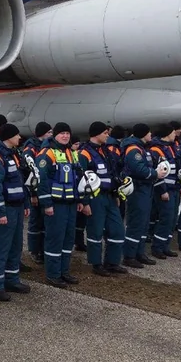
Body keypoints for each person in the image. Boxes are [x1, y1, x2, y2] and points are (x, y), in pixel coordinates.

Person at [0, 123, 31, 300]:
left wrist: (25, 205)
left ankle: (11, 279)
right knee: (0, 248)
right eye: (17, 135)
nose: (20, 137)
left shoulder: (14, 155)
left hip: (17, 208)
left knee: (15, 246)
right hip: (6, 209)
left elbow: (20, 183)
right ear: (8, 137)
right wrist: (0, 213)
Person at [78, 122, 127, 276]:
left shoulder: (106, 151)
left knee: (118, 230)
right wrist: (85, 202)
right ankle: (96, 264)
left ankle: (112, 262)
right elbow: (81, 179)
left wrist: (116, 194)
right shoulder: (84, 153)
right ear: (96, 134)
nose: (107, 135)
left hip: (110, 197)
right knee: (96, 231)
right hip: (95, 198)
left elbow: (113, 174)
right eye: (105, 133)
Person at [36, 122, 80, 287]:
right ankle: (53, 274)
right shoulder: (46, 154)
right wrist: (47, 204)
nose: (65, 136)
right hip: (55, 205)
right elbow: (42, 181)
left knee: (68, 240)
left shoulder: (70, 152)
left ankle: (64, 272)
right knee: (55, 239)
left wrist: (80, 200)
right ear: (55, 135)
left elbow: (77, 177)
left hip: (70, 204)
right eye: (62, 133)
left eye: (67, 133)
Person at [121, 123, 166, 267]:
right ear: (143, 134)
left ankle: (139, 253)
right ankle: (129, 256)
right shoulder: (133, 149)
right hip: (138, 190)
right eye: (148, 133)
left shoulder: (142, 148)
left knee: (144, 223)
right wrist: (155, 174)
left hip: (146, 189)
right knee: (136, 222)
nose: (150, 135)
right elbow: (138, 169)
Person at [22, 121, 52, 264]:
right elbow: (31, 172)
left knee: (45, 222)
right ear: (42, 134)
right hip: (34, 189)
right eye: (49, 133)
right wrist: (33, 194)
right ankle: (34, 250)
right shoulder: (31, 148)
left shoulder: (46, 147)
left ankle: (43, 249)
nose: (51, 135)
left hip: (45, 190)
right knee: (36, 222)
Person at [149, 124, 180, 259]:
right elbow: (158, 172)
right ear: (167, 134)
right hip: (165, 189)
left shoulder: (171, 147)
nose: (175, 135)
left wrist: (180, 187)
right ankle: (157, 247)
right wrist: (162, 190)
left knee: (172, 219)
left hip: (174, 188)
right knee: (166, 218)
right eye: (173, 132)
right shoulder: (157, 150)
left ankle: (165, 246)